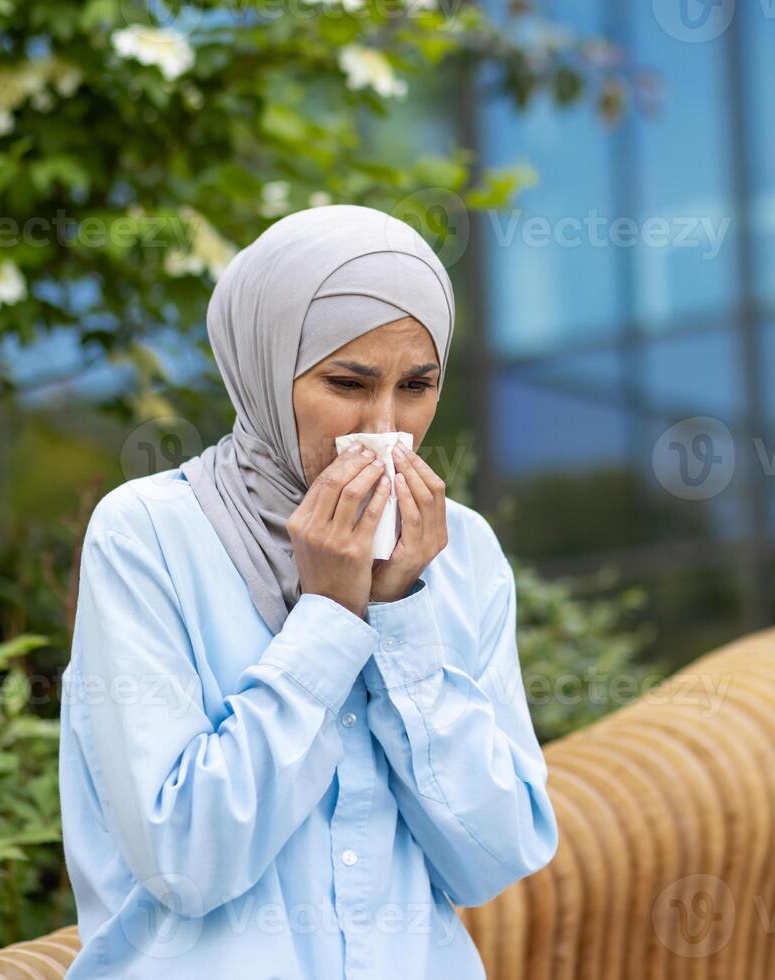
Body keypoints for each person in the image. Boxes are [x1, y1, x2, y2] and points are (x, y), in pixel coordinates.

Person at [57, 205, 558, 978]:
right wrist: (329, 617)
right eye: (347, 383)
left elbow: (494, 854)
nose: (385, 427)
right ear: (263, 364)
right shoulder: (148, 534)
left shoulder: (459, 552)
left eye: (416, 387)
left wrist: (399, 615)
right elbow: (184, 859)